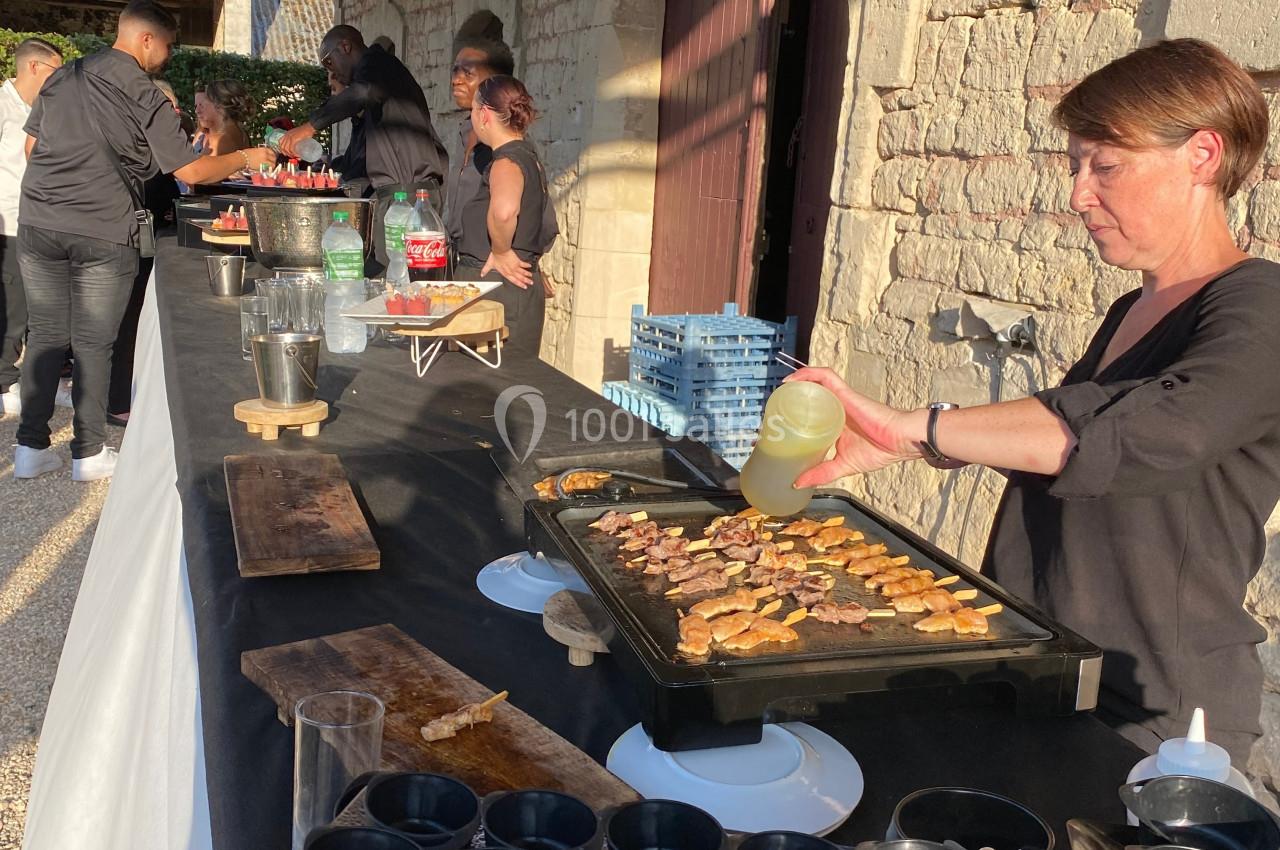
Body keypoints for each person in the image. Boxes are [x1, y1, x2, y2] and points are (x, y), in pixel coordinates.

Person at [787, 39, 1276, 766]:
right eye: (1075, 167)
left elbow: (1158, 433)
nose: (1079, 195)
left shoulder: (1259, 304)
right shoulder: (1130, 310)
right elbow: (1064, 439)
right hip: (1044, 661)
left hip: (1152, 713)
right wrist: (908, 444)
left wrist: (921, 426)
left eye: (1106, 166)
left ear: (1202, 155)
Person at [15, 0, 275, 481]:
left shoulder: (65, 75)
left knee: (46, 335)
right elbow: (191, 171)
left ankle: (30, 448)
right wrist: (247, 158)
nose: (169, 56)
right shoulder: (143, 92)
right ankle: (88, 453)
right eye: (169, 45)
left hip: (38, 221)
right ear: (146, 39)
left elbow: (32, 148)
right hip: (102, 226)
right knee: (95, 340)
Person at [276, 24, 448, 269]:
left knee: (402, 279)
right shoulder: (379, 84)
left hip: (406, 197)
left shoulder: (377, 62)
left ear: (346, 46)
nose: (331, 71)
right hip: (399, 195)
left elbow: (363, 92)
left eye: (328, 61)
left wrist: (311, 126)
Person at [458, 75, 558, 357]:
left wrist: (501, 251)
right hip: (510, 289)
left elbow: (504, 212)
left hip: (498, 294)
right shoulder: (529, 157)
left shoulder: (507, 161)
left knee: (490, 378)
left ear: (484, 115)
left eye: (473, 110)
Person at [0, 38, 63, 416]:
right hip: (7, 223)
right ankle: (4, 380)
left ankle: (33, 380)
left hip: (41, 221)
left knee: (40, 309)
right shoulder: (2, 105)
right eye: (56, 70)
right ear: (34, 66)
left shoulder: (46, 108)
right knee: (11, 308)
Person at [445, 22, 514, 262]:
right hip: (458, 260)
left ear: (495, 82)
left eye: (468, 73)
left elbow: (531, 215)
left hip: (488, 264)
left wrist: (504, 253)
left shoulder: (506, 143)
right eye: (455, 71)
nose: (456, 80)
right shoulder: (466, 131)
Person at [193, 79, 254, 156]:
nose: (197, 111)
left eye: (202, 105)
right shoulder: (240, 132)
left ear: (218, 105)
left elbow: (197, 164)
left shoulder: (217, 141)